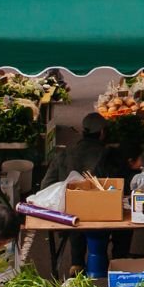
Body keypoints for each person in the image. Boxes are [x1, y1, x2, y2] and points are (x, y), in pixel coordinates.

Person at [40, 112, 113, 274]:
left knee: (74, 211)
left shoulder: (65, 153)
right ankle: (118, 259)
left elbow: (46, 185)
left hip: (67, 215)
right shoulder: (105, 154)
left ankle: (77, 263)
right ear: (102, 133)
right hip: (97, 216)